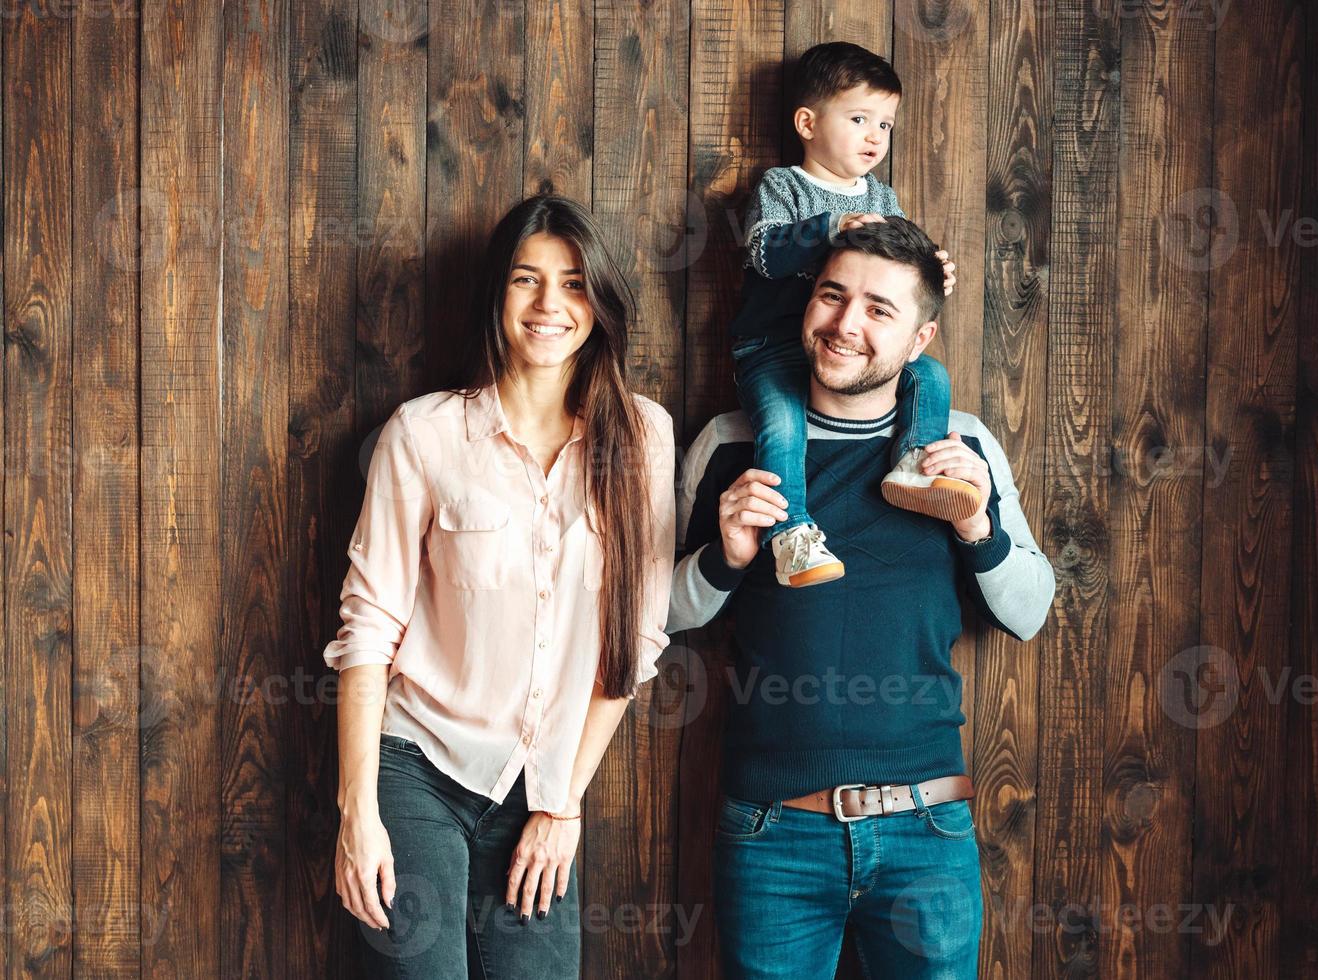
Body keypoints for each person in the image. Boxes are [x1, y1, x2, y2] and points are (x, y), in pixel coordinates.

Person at [670, 218, 1056, 978]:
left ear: (920, 339)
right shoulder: (730, 443)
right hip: (772, 833)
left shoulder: (963, 446)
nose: (846, 325)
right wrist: (726, 555)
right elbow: (658, 617)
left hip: (927, 828)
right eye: (831, 296)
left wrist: (977, 523)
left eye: (879, 309)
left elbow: (1030, 610)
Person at [324, 195, 676, 978]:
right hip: (418, 766)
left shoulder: (644, 435)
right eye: (527, 280)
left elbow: (638, 639)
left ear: (599, 300)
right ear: (497, 295)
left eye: (575, 282)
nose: (551, 305)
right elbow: (368, 628)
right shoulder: (424, 433)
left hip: (544, 780)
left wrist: (563, 800)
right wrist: (359, 813)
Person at [727, 41, 976, 588]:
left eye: (884, 125)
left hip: (852, 352)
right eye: (860, 119)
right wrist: (829, 229)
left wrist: (936, 271)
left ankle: (913, 463)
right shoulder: (783, 186)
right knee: (784, 426)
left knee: (930, 375)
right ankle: (790, 534)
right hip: (773, 347)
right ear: (808, 123)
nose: (874, 137)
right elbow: (763, 254)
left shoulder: (884, 198)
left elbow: (904, 268)